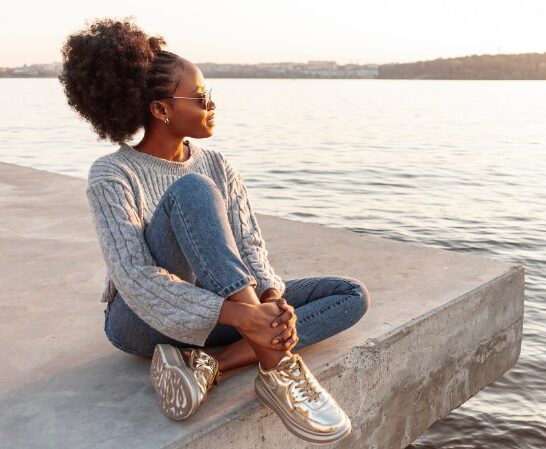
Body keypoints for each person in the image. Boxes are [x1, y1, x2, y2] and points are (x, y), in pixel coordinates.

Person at [59, 18, 370, 445]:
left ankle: (212, 366)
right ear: (162, 109)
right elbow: (134, 277)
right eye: (201, 96)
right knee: (193, 190)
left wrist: (271, 303)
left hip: (220, 315)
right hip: (141, 321)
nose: (212, 104)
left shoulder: (218, 163)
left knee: (349, 294)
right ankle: (276, 367)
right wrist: (245, 316)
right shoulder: (113, 173)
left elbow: (250, 246)